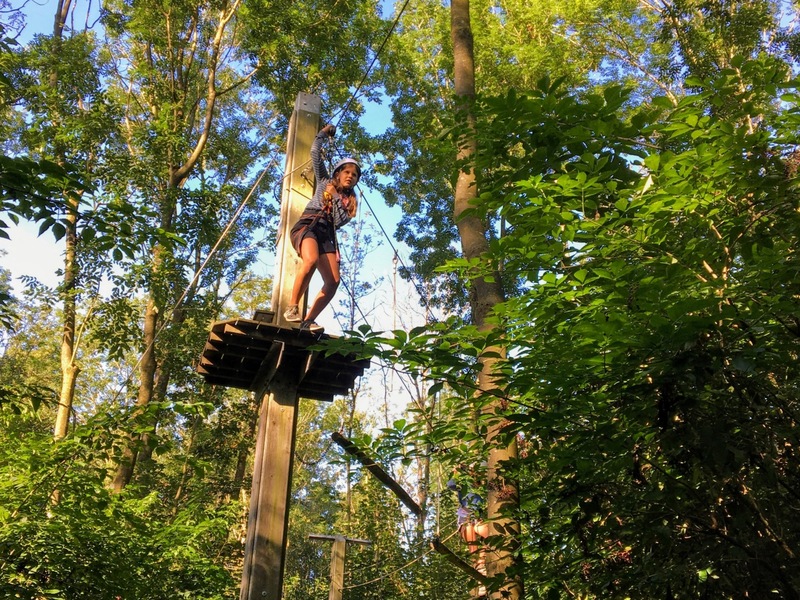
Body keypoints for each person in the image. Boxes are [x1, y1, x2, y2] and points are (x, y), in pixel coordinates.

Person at [283, 123, 360, 333]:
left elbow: (340, 219)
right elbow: (315, 153)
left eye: (354, 175)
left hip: (327, 233)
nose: (350, 176)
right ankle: (292, 307)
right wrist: (324, 133)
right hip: (309, 224)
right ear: (338, 173)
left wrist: (335, 197)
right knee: (311, 260)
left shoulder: (350, 202)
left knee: (334, 281)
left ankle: (308, 320)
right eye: (347, 172)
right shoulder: (324, 179)